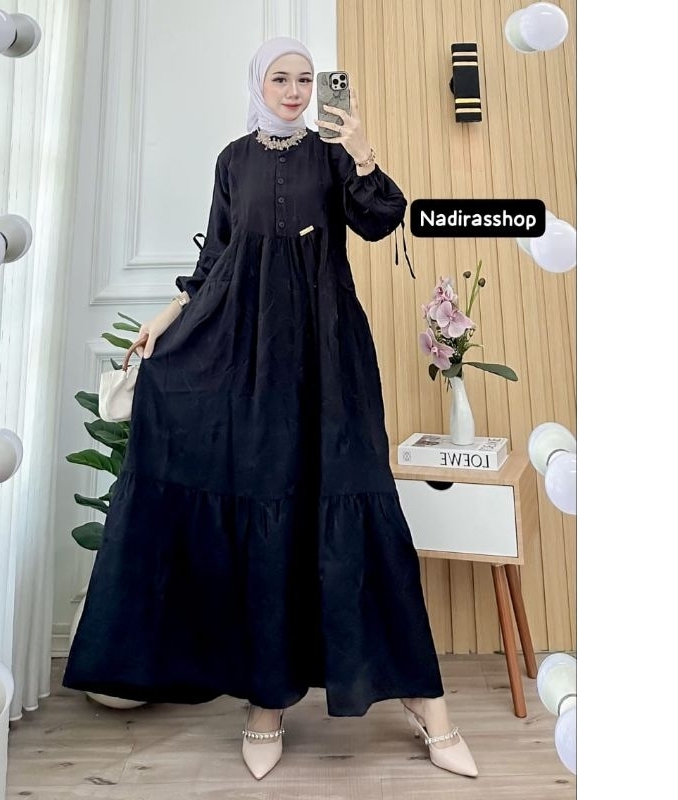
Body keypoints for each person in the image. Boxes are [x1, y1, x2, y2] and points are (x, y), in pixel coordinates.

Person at [63, 36, 478, 782]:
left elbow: (381, 221)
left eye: (305, 79)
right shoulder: (233, 160)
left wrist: (363, 151)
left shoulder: (332, 154)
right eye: (281, 79)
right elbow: (215, 260)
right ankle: (266, 703)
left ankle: (426, 702)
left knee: (357, 503)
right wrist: (165, 318)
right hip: (248, 361)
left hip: (330, 357)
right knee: (266, 503)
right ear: (259, 84)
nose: (294, 90)